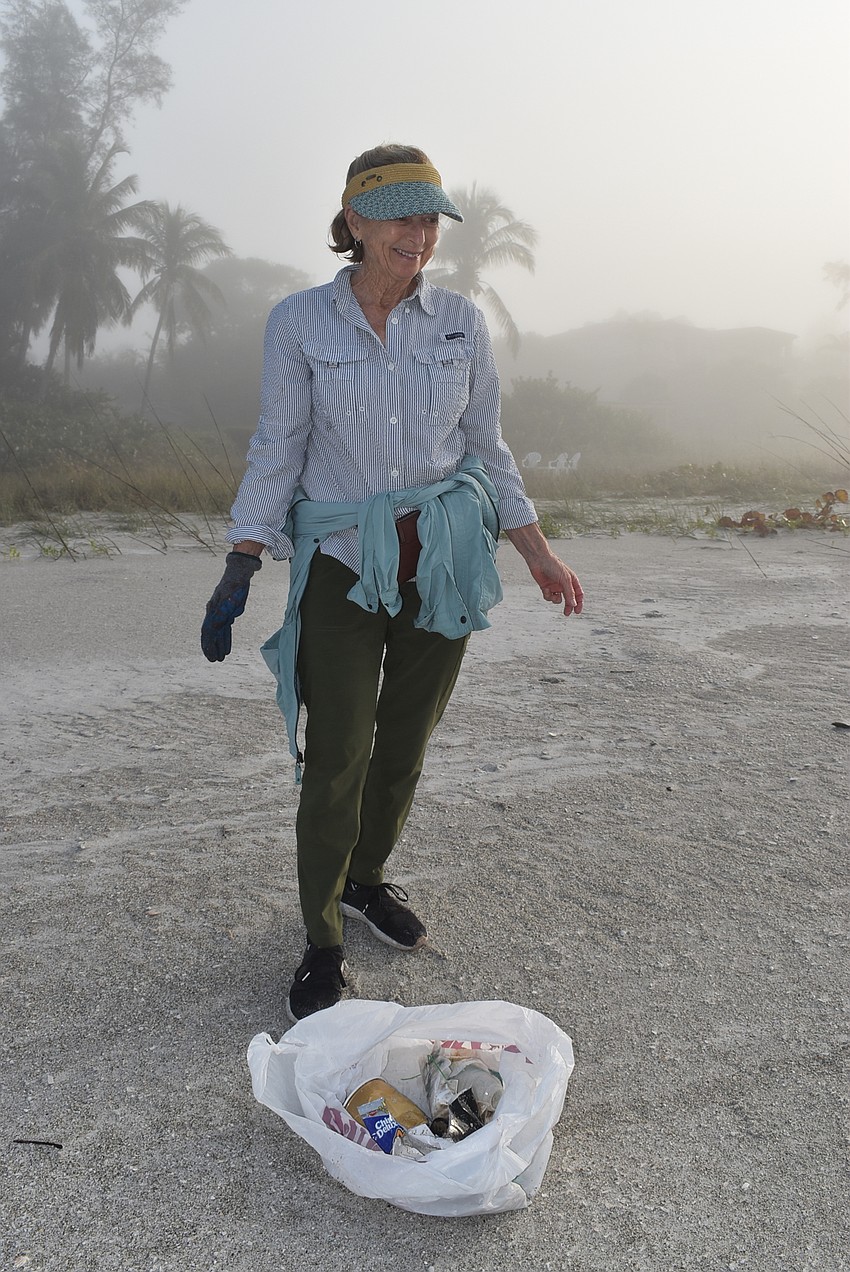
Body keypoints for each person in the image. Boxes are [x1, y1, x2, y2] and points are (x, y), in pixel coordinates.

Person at [201, 143, 583, 1023]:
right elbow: (278, 445)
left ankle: (368, 880)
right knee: (338, 751)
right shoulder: (299, 321)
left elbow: (487, 444)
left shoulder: (459, 321)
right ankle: (323, 937)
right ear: (356, 223)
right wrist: (240, 560)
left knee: (406, 738)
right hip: (341, 562)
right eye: (400, 215)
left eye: (429, 218)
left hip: (444, 559)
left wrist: (535, 550)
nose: (417, 233)